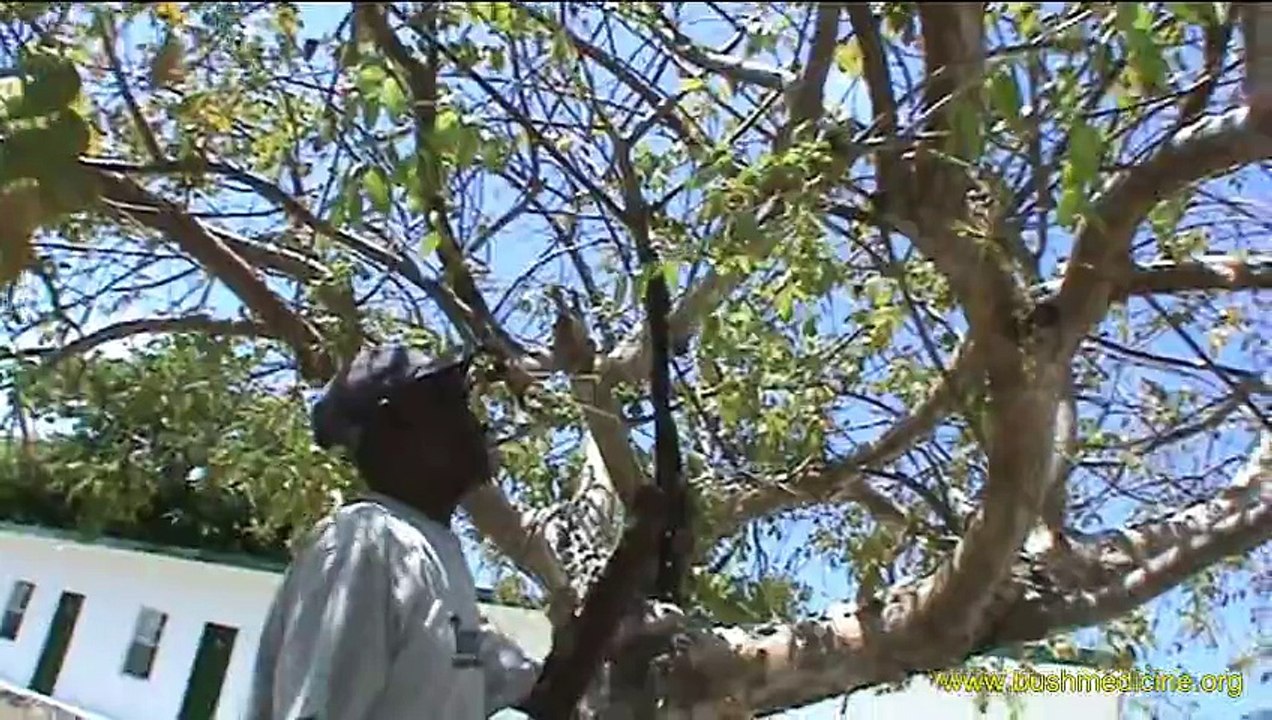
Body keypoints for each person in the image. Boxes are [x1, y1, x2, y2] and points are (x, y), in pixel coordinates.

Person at [246, 344, 540, 719]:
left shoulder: (437, 562)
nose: (473, 421)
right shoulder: (365, 544)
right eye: (447, 404)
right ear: (392, 430)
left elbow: (479, 658)